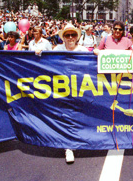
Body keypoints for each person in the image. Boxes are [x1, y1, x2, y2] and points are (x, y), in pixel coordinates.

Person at [53, 24, 86, 163]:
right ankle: (68, 147)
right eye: (67, 35)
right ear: (63, 38)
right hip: (63, 89)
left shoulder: (83, 50)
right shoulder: (57, 49)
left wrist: (97, 53)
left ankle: (78, 140)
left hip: (81, 89)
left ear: (77, 37)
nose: (71, 38)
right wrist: (39, 51)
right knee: (66, 116)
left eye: (73, 35)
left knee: (78, 115)